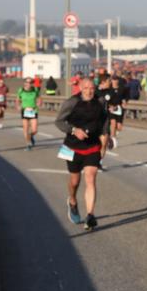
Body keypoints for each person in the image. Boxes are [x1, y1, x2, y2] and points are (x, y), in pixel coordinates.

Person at [54, 78, 108, 231]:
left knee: (90, 178)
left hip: (92, 147)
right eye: (85, 88)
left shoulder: (100, 101)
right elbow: (59, 122)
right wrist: (73, 130)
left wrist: (105, 139)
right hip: (72, 147)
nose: (89, 91)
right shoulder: (71, 102)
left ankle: (90, 215)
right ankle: (72, 201)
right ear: (79, 88)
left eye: (91, 88)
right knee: (75, 181)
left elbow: (104, 121)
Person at [17, 77, 41, 150]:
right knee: (26, 128)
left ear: (32, 83)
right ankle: (28, 144)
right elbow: (18, 99)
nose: (28, 84)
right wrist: (18, 105)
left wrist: (39, 103)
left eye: (30, 82)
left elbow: (39, 97)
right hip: (24, 110)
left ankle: (30, 136)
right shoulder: (21, 90)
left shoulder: (35, 90)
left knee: (35, 130)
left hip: (33, 110)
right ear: (24, 83)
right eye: (27, 82)